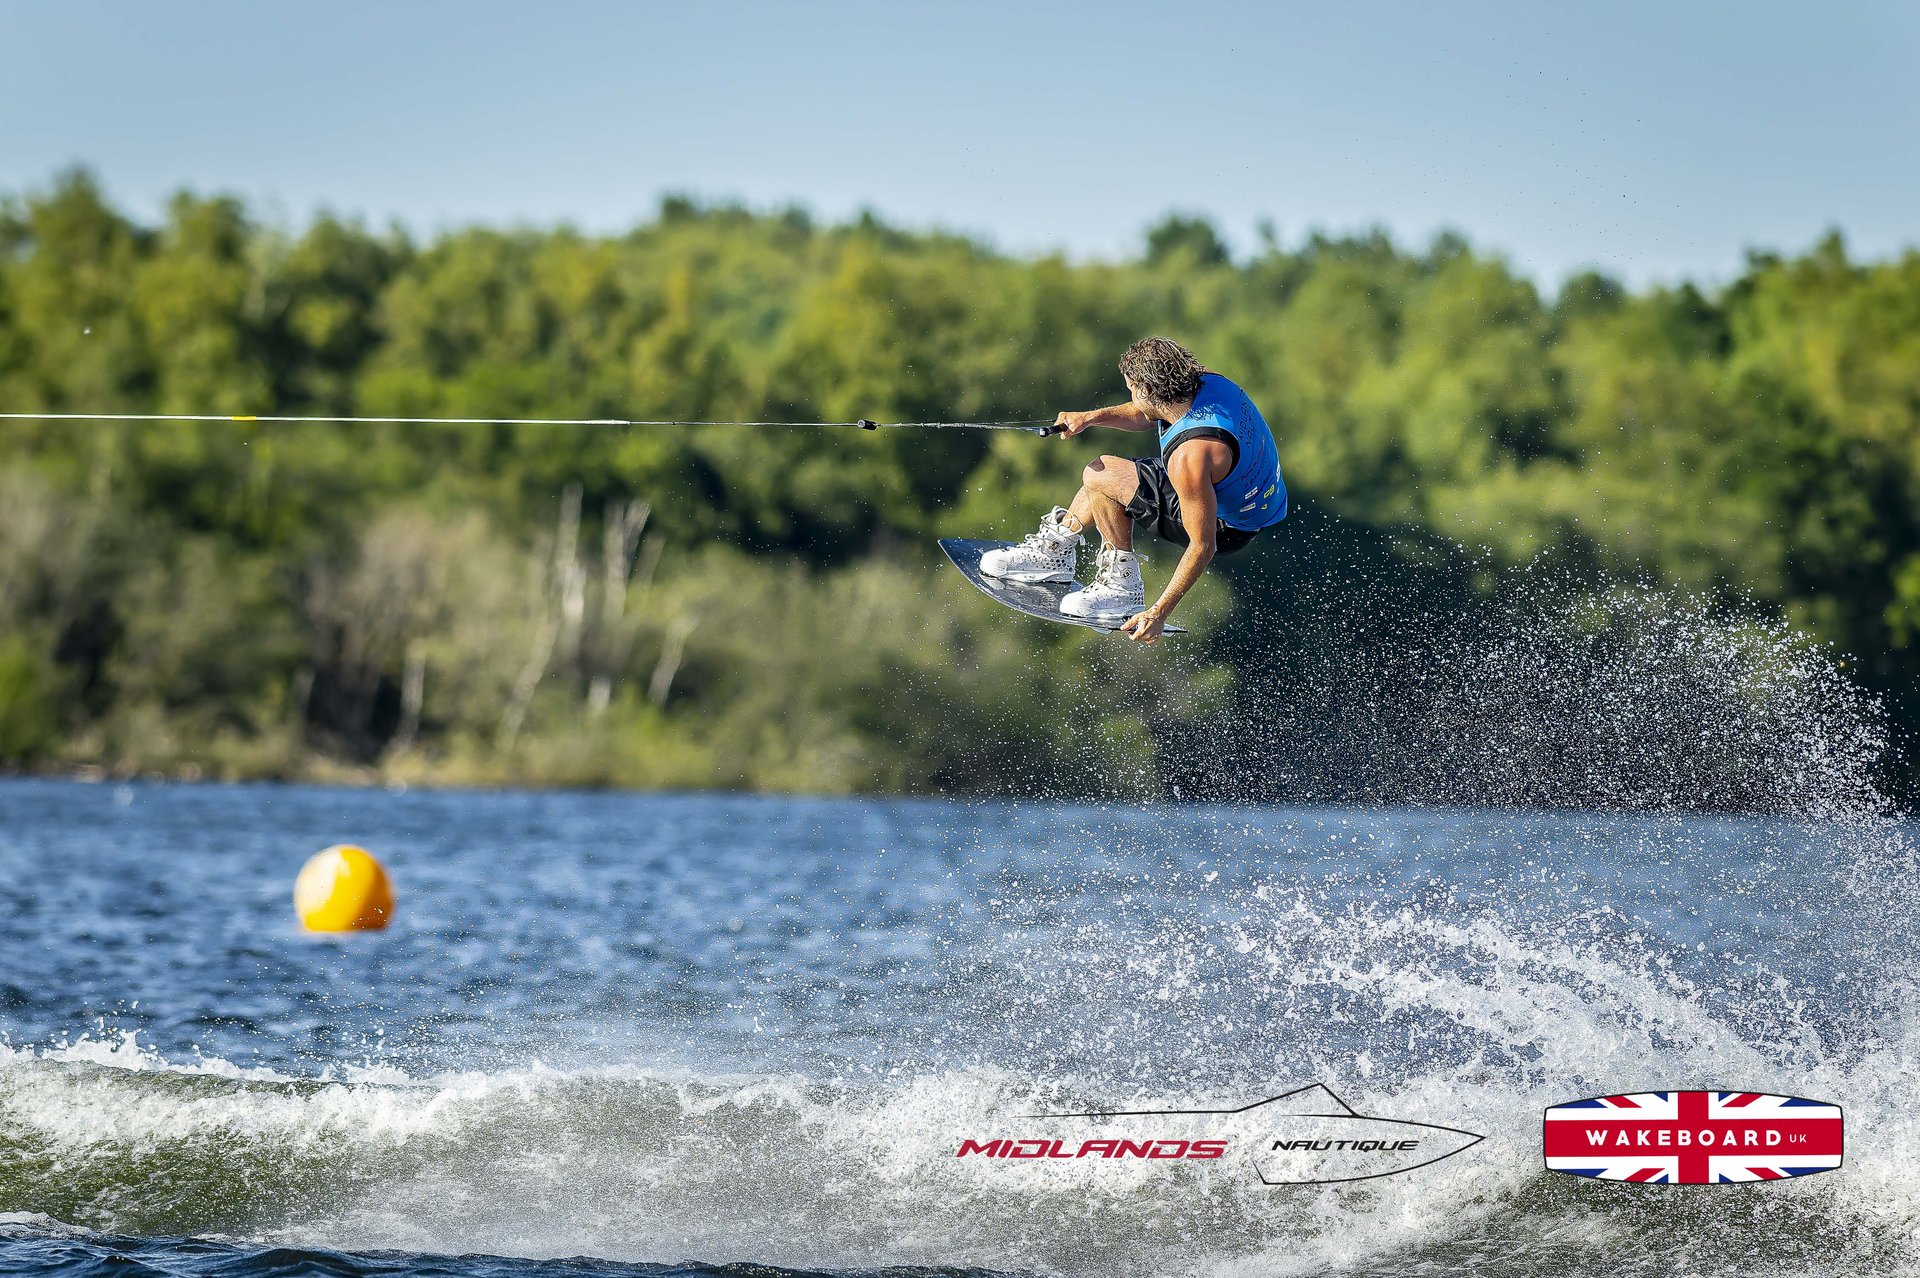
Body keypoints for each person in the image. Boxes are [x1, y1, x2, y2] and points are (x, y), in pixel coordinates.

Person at [980, 337, 1287, 643]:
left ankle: (1121, 588)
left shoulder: (1191, 456)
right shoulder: (1202, 384)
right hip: (1241, 492)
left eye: (1131, 389)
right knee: (1105, 478)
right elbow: (1145, 413)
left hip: (1226, 527)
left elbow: (1203, 546)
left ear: (1149, 390)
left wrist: (1158, 613)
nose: (1131, 394)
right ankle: (1054, 553)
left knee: (1101, 473)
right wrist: (1089, 418)